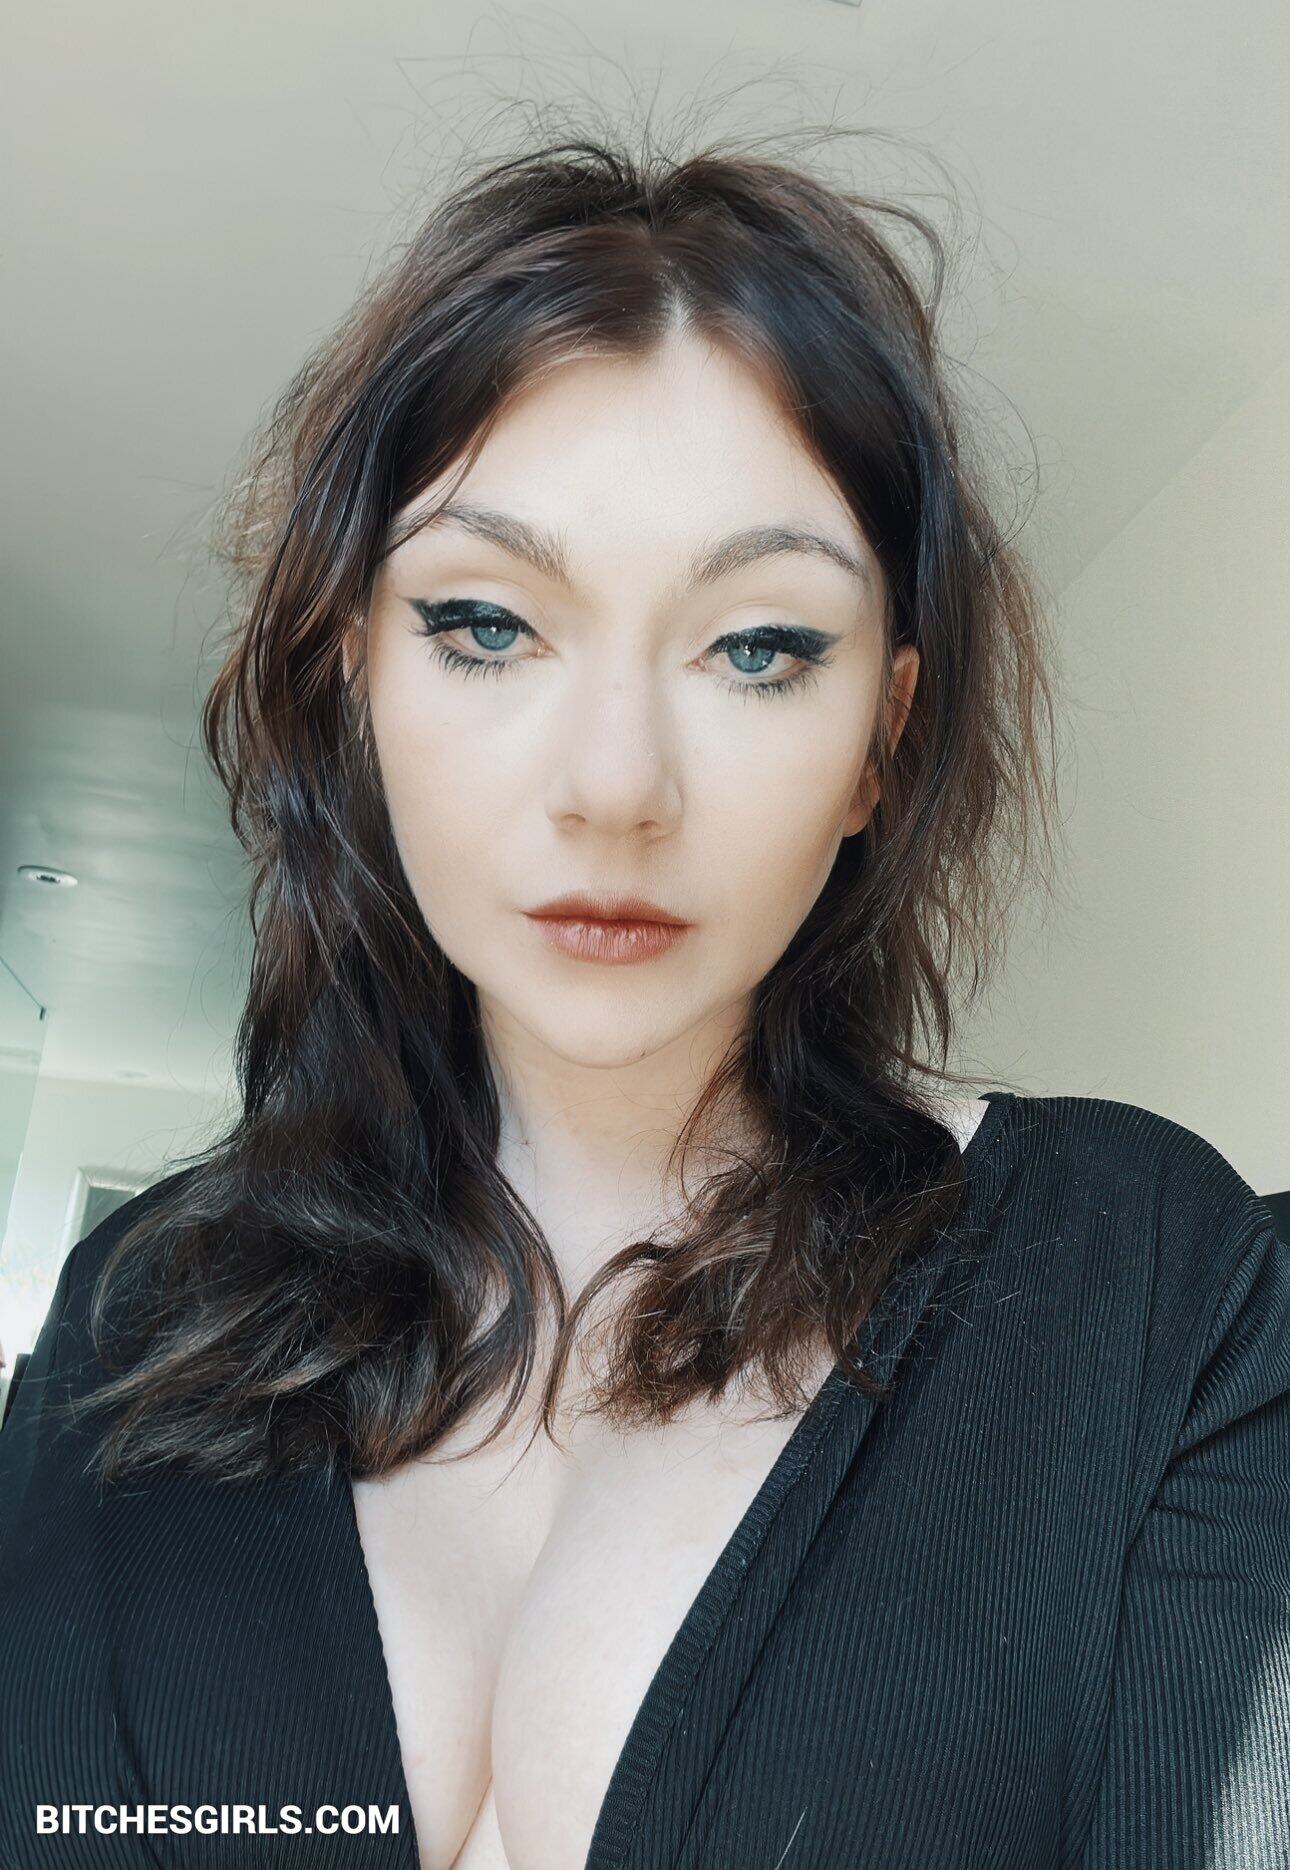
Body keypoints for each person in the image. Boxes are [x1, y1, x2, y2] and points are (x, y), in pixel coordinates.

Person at [1, 133, 1286, 1870]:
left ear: (880, 738)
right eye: (483, 622)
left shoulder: (1158, 1284)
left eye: (758, 646)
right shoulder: (136, 1310)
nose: (614, 784)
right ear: (354, 676)